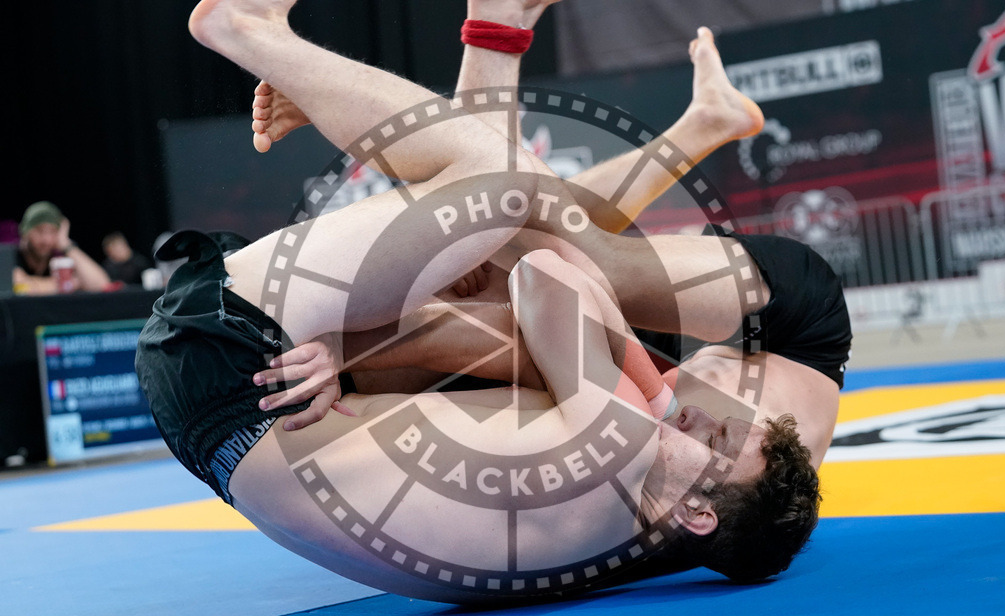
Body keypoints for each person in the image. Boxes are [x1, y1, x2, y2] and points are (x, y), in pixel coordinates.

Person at [136, 0, 819, 605]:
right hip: (230, 416)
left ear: (699, 514)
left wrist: (658, 397)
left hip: (237, 366)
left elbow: (550, 272)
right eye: (728, 418)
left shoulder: (626, 451)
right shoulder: (620, 532)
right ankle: (495, 27)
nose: (703, 412)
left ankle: (250, 30)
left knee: (503, 184)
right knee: (495, 247)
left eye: (719, 438)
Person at [252, 0, 851, 471]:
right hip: (797, 324)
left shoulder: (636, 468)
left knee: (509, 235)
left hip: (671, 369)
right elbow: (516, 262)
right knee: (535, 238)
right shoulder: (663, 475)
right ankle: (495, 27)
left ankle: (699, 124)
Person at [13, 201, 111, 295]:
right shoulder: (12, 256)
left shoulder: (62, 256)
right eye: (39, 231)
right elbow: (22, 287)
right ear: (26, 232)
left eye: (53, 231)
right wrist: (71, 283)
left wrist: (66, 244)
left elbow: (101, 285)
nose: (46, 240)